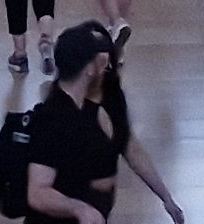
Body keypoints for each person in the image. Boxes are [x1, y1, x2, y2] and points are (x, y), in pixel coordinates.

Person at [20, 21, 182, 224]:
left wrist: (166, 198)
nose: (108, 60)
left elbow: (129, 145)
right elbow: (37, 193)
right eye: (101, 56)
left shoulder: (111, 93)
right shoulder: (52, 119)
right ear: (88, 68)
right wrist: (80, 209)